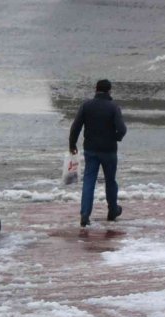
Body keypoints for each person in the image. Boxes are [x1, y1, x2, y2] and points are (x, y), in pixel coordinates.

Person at [69, 79, 127, 227]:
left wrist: (72, 144)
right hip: (109, 151)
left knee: (89, 181)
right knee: (110, 181)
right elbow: (122, 129)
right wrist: (115, 138)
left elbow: (76, 126)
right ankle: (113, 210)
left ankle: (85, 214)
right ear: (109, 91)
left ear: (96, 89)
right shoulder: (113, 107)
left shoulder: (86, 106)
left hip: (91, 150)